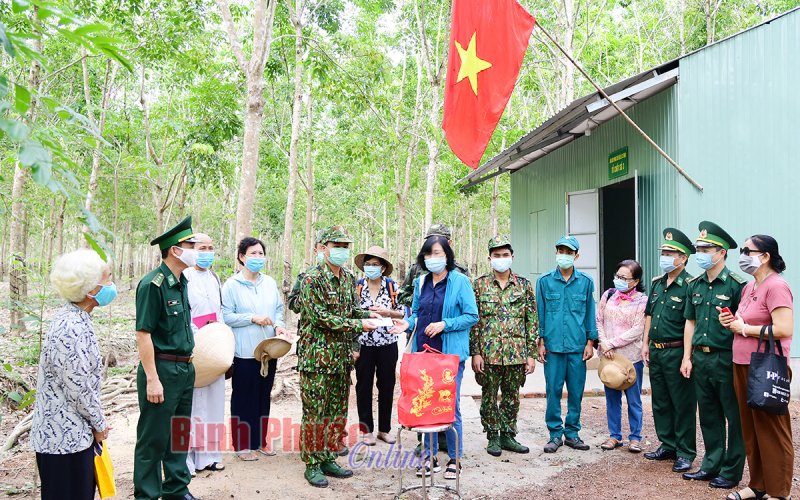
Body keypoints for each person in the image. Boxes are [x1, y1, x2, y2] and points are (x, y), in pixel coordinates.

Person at [391, 235, 479, 480]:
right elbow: (417, 314)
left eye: (438, 253)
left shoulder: (460, 282)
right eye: (429, 254)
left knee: (450, 406)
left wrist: (444, 324)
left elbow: (472, 316)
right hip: (424, 354)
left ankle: (455, 458)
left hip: (449, 356)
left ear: (448, 256)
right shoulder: (421, 282)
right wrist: (405, 324)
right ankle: (429, 456)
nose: (433, 258)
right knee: (426, 405)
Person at [297, 225, 379, 488]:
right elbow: (319, 317)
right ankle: (312, 463)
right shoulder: (312, 278)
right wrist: (358, 325)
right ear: (323, 248)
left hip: (340, 359)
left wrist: (370, 316)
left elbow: (352, 310)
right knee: (315, 412)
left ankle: (329, 456)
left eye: (345, 247)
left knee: (336, 411)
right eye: (337, 246)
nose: (342, 251)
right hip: (316, 359)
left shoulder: (346, 278)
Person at [30, 249, 115, 500]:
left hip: (74, 435)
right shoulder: (70, 327)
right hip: (62, 440)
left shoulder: (79, 317)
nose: (111, 285)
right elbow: (78, 387)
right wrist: (99, 424)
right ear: (90, 289)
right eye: (107, 279)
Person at [719, 235, 793, 500]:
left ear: (765, 256)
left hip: (765, 367)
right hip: (742, 364)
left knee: (772, 429)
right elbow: (744, 319)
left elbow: (784, 328)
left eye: (747, 250)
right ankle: (758, 484)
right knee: (750, 428)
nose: (742, 255)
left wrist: (745, 329)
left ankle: (778, 491)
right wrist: (731, 320)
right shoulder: (750, 286)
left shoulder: (776, 286)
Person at [134, 215, 202, 500]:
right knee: (153, 439)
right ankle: (147, 494)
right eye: (191, 244)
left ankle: (176, 489)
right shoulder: (154, 284)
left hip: (185, 369)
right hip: (161, 369)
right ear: (175, 249)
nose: (197, 250)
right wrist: (152, 379)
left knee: (178, 435)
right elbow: (143, 334)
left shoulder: (181, 282)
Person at [680, 221, 746, 490]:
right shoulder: (694, 284)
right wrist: (687, 357)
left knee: (734, 416)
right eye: (698, 248)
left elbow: (742, 323)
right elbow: (690, 322)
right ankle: (711, 464)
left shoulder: (736, 285)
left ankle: (731, 471)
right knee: (708, 414)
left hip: (727, 358)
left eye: (706, 248)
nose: (700, 253)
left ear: (722, 252)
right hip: (702, 358)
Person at [470, 236, 538, 457]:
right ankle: (493, 436)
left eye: (505, 255)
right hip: (488, 354)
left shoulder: (524, 286)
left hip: (516, 353)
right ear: (490, 258)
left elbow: (532, 321)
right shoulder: (479, 285)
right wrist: (476, 352)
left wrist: (531, 354)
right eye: (497, 256)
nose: (501, 259)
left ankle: (508, 435)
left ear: (512, 257)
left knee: (512, 396)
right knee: (489, 396)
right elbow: (475, 321)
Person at [222, 236, 288, 461]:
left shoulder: (269, 282)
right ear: (242, 257)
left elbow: (279, 310)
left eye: (261, 253)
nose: (258, 257)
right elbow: (226, 316)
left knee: (263, 396)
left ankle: (260, 441)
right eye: (253, 253)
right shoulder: (231, 285)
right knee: (243, 397)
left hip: (269, 352)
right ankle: (242, 444)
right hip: (244, 352)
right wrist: (252, 318)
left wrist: (279, 326)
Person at [642, 228, 697, 473]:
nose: (664, 256)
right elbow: (649, 315)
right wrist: (645, 343)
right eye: (663, 252)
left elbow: (691, 322)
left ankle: (685, 452)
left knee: (682, 402)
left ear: (683, 258)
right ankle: (668, 444)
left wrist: (687, 356)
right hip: (656, 350)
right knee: (661, 401)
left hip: (676, 351)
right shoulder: (657, 284)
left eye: (670, 252)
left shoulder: (690, 285)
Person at [536, 235, 597, 453]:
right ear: (556, 253)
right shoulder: (544, 281)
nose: (564, 255)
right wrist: (540, 341)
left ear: (576, 256)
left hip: (577, 347)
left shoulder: (586, 282)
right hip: (552, 347)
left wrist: (590, 342)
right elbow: (540, 313)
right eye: (561, 251)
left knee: (576, 391)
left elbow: (590, 312)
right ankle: (554, 434)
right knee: (553, 390)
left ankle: (572, 433)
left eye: (569, 252)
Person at [352, 246, 405, 446]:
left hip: (387, 343)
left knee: (387, 385)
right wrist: (354, 345)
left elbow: (402, 312)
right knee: (363, 385)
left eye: (375, 265)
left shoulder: (392, 287)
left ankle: (384, 429)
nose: (371, 268)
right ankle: (366, 431)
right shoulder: (356, 287)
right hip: (364, 343)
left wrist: (387, 312)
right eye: (368, 264)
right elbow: (351, 315)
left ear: (383, 268)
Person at [184, 233, 225, 474]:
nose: (207, 252)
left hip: (215, 347)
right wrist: (198, 334)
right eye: (202, 248)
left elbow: (219, 311)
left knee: (213, 403)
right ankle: (187, 459)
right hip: (194, 347)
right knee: (190, 406)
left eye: (211, 247)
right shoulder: (184, 277)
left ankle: (209, 455)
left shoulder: (214, 277)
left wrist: (218, 333)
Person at [596, 259, 647, 453]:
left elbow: (638, 329)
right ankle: (614, 436)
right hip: (608, 357)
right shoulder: (608, 295)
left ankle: (635, 437)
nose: (619, 280)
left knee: (634, 399)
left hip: (630, 358)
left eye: (624, 278)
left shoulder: (642, 300)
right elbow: (599, 320)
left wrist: (612, 343)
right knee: (612, 397)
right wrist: (604, 343)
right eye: (618, 276)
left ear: (635, 281)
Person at [396, 223, 470, 308]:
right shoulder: (416, 269)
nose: (435, 242)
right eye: (430, 239)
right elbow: (402, 295)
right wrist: (420, 299)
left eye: (440, 240)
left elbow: (468, 304)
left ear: (449, 243)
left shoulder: (460, 271)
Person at [288, 229, 326, 314]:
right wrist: (306, 295)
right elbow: (292, 305)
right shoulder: (306, 276)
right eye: (323, 247)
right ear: (315, 251)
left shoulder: (346, 278)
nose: (326, 251)